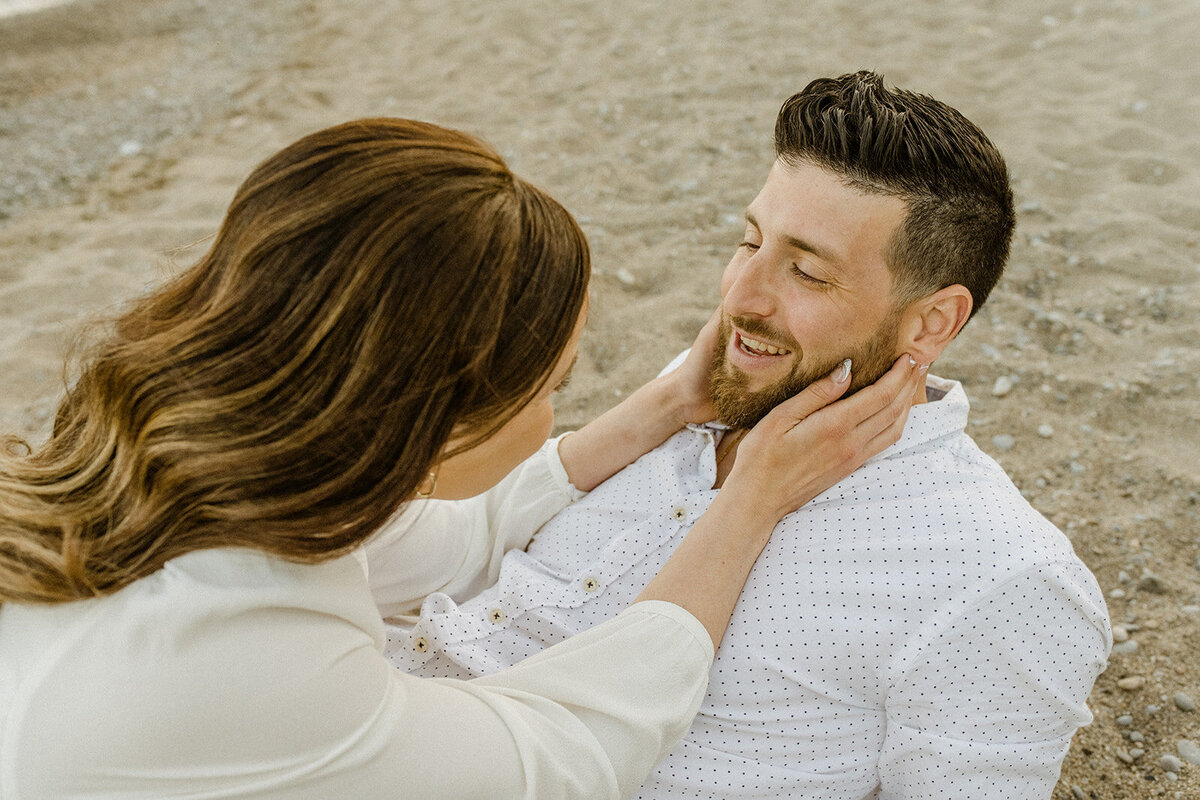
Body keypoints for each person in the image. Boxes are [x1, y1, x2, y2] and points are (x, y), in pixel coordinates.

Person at [0, 118, 924, 799]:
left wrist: (674, 399)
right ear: (435, 418)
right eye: (554, 383)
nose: (560, 404)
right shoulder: (247, 656)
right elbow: (568, 749)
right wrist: (749, 504)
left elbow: (441, 542)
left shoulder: (159, 462)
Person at [381, 73, 1112, 799]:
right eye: (750, 240)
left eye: (807, 272)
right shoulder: (710, 385)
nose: (741, 296)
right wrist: (666, 403)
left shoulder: (999, 575)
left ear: (933, 322)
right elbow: (456, 537)